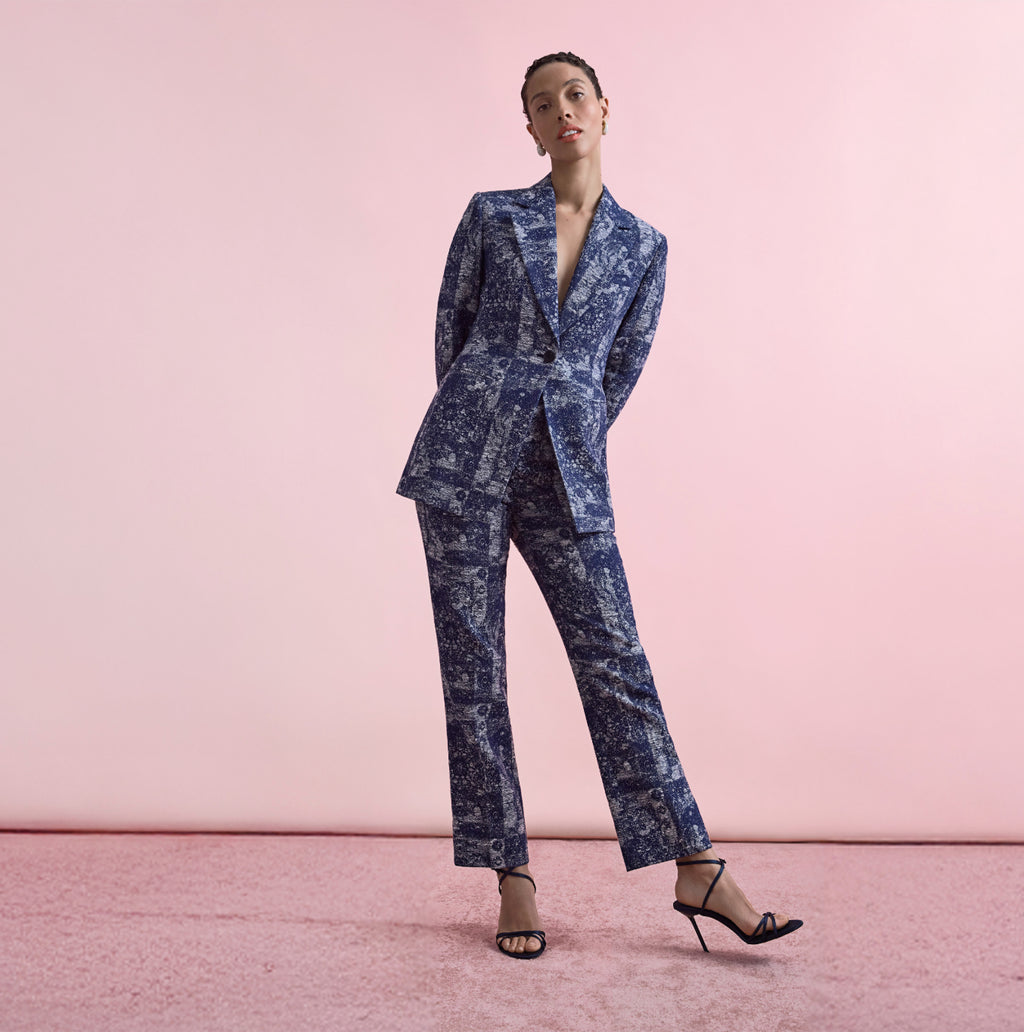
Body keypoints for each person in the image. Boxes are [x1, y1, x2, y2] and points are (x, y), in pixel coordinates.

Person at [396, 51, 801, 958]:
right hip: (463, 457)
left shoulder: (644, 246)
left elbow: (619, 370)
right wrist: (485, 418)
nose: (562, 111)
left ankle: (696, 864)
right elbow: (451, 335)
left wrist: (564, 429)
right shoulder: (492, 216)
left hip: (567, 469)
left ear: (605, 109)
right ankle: (511, 874)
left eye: (575, 95)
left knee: (616, 658)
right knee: (474, 667)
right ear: (530, 128)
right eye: (543, 103)